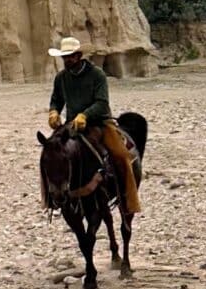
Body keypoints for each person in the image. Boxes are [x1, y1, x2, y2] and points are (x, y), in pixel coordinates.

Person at [45, 35, 140, 216]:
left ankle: (128, 200)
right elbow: (56, 99)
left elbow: (102, 103)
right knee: (50, 154)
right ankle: (51, 200)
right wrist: (53, 112)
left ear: (79, 55)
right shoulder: (61, 77)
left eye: (70, 56)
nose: (67, 60)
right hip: (72, 125)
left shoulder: (97, 74)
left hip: (99, 123)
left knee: (121, 156)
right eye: (65, 57)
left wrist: (85, 115)